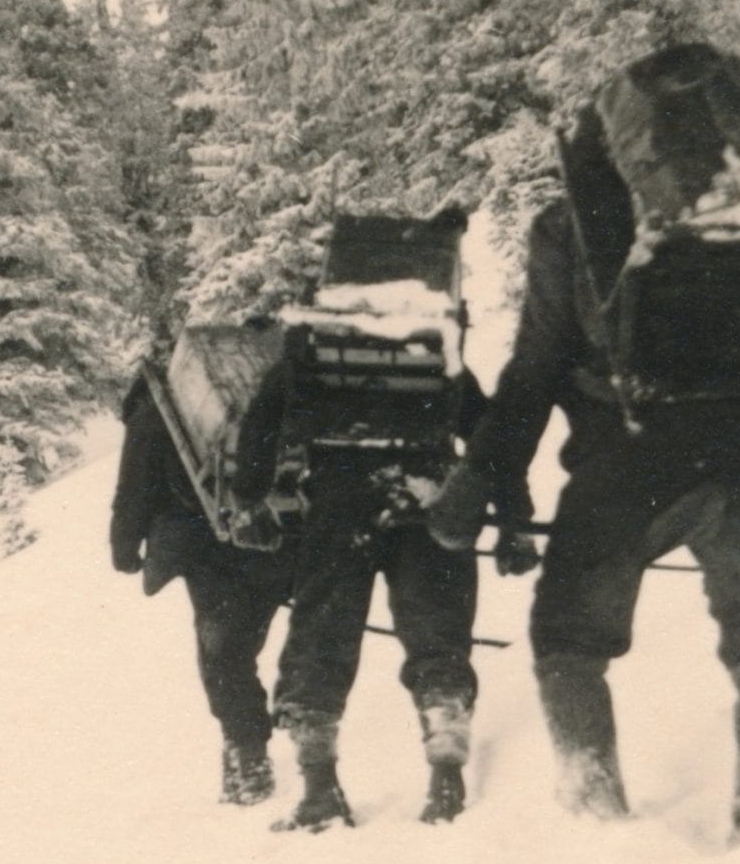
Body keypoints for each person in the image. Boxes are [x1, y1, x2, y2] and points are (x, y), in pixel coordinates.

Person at [426, 180, 740, 841]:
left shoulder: (570, 227)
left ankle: (595, 807)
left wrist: (471, 490)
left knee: (567, 629)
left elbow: (533, 375)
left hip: (631, 463)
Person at [233, 209, 487, 831]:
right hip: (425, 498)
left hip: (338, 506)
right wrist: (502, 509)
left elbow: (261, 426)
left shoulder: (315, 348)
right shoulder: (438, 347)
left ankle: (321, 791)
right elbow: (486, 429)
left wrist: (249, 500)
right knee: (438, 638)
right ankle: (446, 782)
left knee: (320, 642)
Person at [110, 369, 292, 804]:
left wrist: (124, 548)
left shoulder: (150, 413)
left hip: (208, 551)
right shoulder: (235, 392)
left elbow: (132, 489)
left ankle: (247, 756)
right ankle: (278, 721)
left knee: (223, 653)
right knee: (251, 637)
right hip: (273, 535)